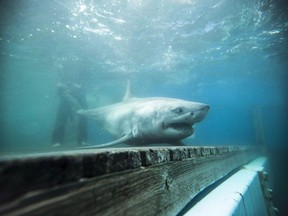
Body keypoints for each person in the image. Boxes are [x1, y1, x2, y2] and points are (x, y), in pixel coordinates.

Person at [52, 81, 88, 147]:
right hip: (67, 99)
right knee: (61, 120)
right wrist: (79, 107)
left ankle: (83, 140)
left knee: (82, 118)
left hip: (77, 95)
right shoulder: (64, 85)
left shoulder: (77, 85)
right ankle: (57, 141)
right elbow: (66, 95)